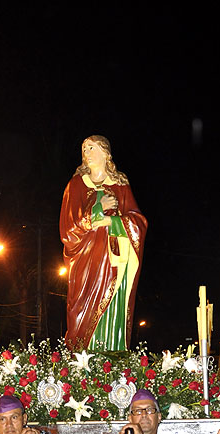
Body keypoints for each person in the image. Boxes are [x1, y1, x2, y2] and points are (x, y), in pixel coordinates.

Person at [60, 135, 147, 351]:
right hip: (85, 261)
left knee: (114, 306)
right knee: (81, 312)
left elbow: (138, 222)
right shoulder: (76, 185)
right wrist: (98, 210)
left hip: (114, 261)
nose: (86, 153)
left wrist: (111, 221)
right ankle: (81, 357)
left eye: (92, 148)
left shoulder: (120, 185)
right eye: (84, 149)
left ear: (106, 153)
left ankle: (112, 356)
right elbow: (68, 228)